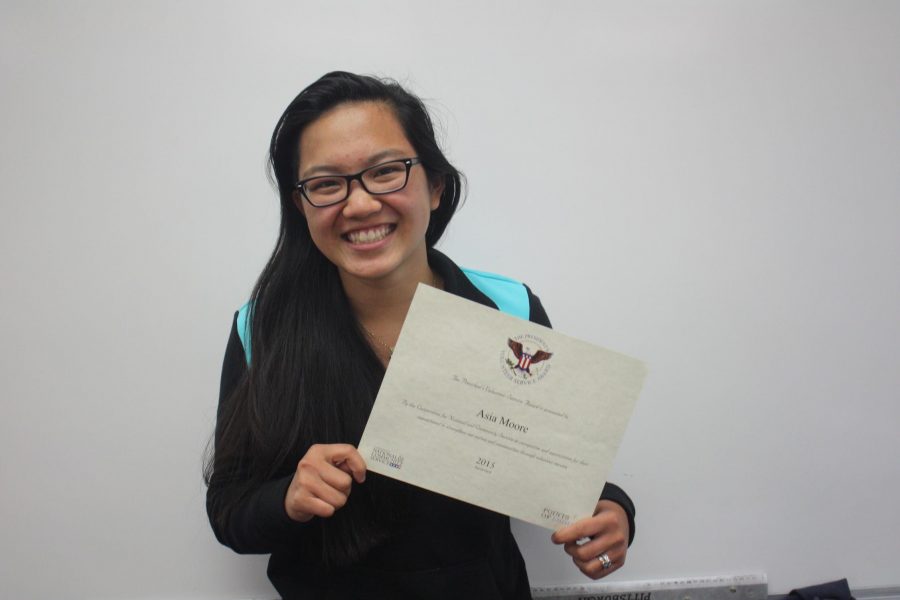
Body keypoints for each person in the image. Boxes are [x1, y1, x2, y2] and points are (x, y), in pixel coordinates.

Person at [205, 71, 636, 599]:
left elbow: (556, 467)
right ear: (301, 205)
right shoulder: (262, 328)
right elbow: (229, 513)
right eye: (325, 184)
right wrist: (289, 497)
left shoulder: (509, 309)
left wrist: (612, 511)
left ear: (434, 185)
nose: (359, 204)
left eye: (386, 172)